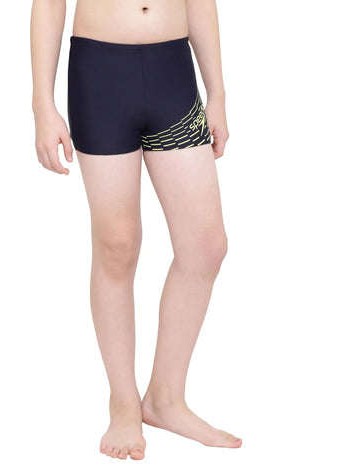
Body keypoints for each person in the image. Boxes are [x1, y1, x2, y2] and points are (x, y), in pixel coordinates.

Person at [30, 0, 242, 460]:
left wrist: (218, 93)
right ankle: (124, 403)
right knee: (117, 245)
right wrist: (42, 102)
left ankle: (165, 398)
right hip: (101, 75)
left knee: (206, 246)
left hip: (173, 74)